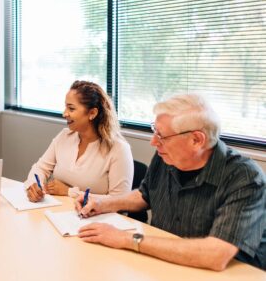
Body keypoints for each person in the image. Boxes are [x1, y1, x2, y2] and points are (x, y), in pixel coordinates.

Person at [76, 93, 265, 271]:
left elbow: (215, 254)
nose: (153, 142)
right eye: (154, 131)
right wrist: (102, 203)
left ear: (196, 140)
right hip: (167, 263)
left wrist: (126, 239)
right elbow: (145, 195)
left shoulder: (245, 178)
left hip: (228, 279)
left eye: (162, 135)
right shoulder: (166, 156)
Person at [25, 80, 133, 202]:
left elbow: (120, 201)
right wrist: (33, 185)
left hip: (97, 217)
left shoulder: (119, 148)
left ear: (92, 113)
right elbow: (40, 168)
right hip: (61, 212)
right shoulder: (64, 136)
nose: (64, 113)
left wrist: (69, 192)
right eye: (65, 107)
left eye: (71, 109)